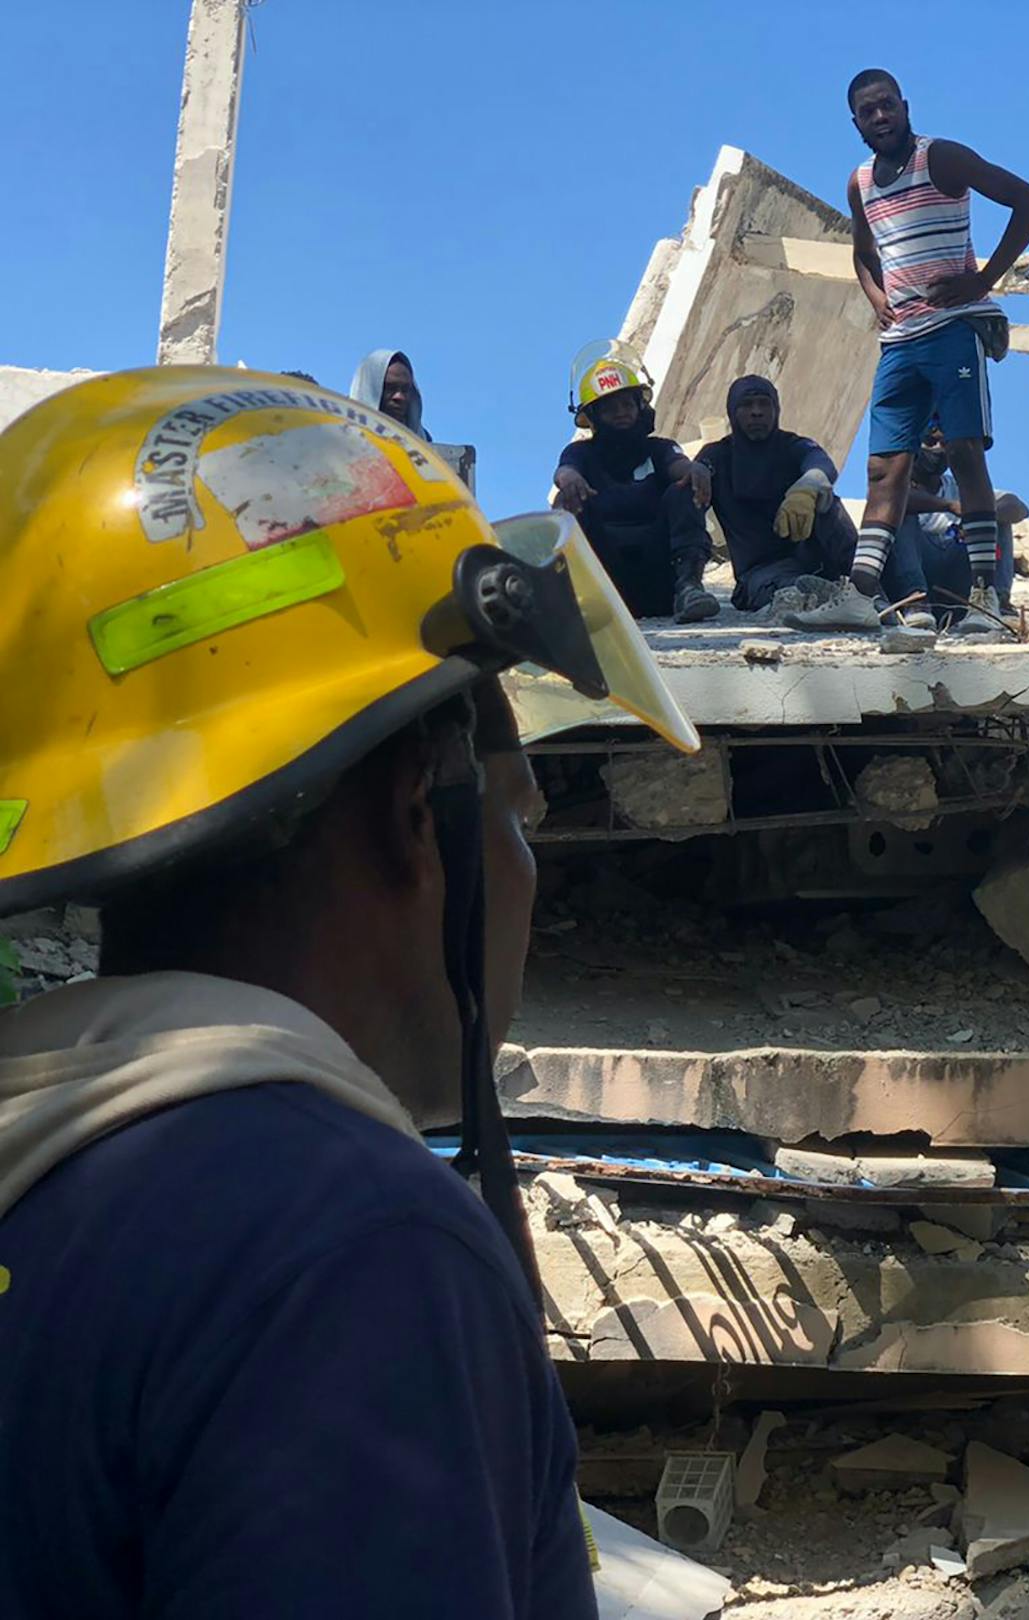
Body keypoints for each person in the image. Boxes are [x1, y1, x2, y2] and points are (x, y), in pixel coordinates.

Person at [0, 366, 701, 1618]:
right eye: (518, 813)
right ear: (412, 822)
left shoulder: (54, 1184)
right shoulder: (348, 1252)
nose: (527, 871)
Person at [789, 68, 1029, 636]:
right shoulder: (860, 182)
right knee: (885, 468)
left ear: (905, 106)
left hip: (952, 328)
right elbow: (862, 251)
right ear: (855, 123)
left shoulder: (942, 159)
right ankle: (860, 596)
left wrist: (983, 281)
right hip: (900, 340)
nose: (880, 117)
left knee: (963, 452)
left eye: (887, 105)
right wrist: (876, 296)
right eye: (867, 111)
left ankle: (987, 599)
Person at [551, 353, 719, 623]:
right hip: (606, 585)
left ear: (639, 407)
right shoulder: (580, 453)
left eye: (626, 405)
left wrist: (695, 470)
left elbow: (678, 465)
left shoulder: (659, 449)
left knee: (684, 488)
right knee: (566, 501)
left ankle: (689, 587)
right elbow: (565, 471)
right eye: (610, 408)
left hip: (661, 578)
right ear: (593, 417)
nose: (620, 413)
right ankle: (574, 598)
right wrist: (569, 480)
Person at [694, 373, 878, 615]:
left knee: (825, 499)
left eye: (764, 404)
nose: (756, 412)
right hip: (762, 572)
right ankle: (687, 586)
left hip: (818, 560)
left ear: (776, 409)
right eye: (747, 405)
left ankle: (866, 589)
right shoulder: (717, 455)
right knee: (790, 594)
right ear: (732, 413)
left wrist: (809, 485)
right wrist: (697, 470)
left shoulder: (793, 446)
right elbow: (695, 478)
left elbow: (821, 464)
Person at [887, 425, 1028, 620]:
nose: (938, 449)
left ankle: (998, 602)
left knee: (996, 518)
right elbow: (893, 500)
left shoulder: (960, 486)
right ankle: (915, 601)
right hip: (916, 571)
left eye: (945, 444)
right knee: (900, 514)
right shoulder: (892, 485)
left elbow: (1017, 506)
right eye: (930, 442)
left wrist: (979, 519)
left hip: (958, 577)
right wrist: (949, 506)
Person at [351, 347, 430, 437]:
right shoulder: (338, 431)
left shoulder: (423, 443)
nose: (399, 397)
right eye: (390, 388)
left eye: (405, 389)